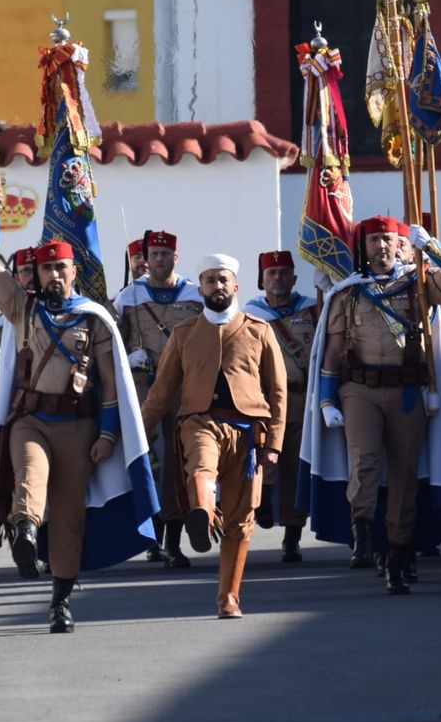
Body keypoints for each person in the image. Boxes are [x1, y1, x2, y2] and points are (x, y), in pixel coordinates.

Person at [0, 180, 156, 633]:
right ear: (35, 274)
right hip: (30, 420)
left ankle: (60, 600)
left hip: (78, 427)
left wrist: (109, 434)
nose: (54, 276)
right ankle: (24, 532)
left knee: (71, 515)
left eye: (61, 268)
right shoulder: (22, 309)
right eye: (46, 269)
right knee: (31, 478)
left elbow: (111, 383)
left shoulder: (93, 319)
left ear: (74, 272)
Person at [313, 215, 441, 593]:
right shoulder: (349, 292)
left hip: (407, 389)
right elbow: (334, 352)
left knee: (405, 475)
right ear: (363, 247)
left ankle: (398, 553)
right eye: (374, 241)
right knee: (366, 461)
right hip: (359, 390)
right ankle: (363, 530)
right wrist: (326, 400)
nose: (382, 247)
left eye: (388, 239)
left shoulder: (420, 285)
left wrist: (434, 248)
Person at [141, 255, 286, 618]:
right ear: (200, 288)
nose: (217, 286)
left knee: (241, 519)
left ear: (235, 286)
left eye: (223, 280)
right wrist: (140, 432)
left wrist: (274, 445)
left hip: (248, 431)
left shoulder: (259, 330)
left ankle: (229, 597)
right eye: (209, 280)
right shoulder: (184, 333)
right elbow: (161, 390)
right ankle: (202, 516)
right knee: (199, 467)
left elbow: (278, 391)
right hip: (199, 422)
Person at [114, 229, 204, 566]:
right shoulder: (129, 297)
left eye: (166, 254)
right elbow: (110, 344)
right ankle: (150, 535)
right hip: (144, 392)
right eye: (154, 254)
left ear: (175, 258)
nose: (159, 260)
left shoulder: (195, 295)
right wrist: (128, 355)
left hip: (183, 392)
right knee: (148, 464)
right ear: (145, 258)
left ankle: (174, 540)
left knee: (178, 465)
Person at [244, 250, 319, 562]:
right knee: (261, 460)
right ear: (261, 280)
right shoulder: (250, 315)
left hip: (300, 398)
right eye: (271, 273)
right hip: (262, 401)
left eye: (284, 272)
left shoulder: (312, 310)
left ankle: (292, 536)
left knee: (294, 467)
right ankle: (263, 504)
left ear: (294, 278)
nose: (278, 278)